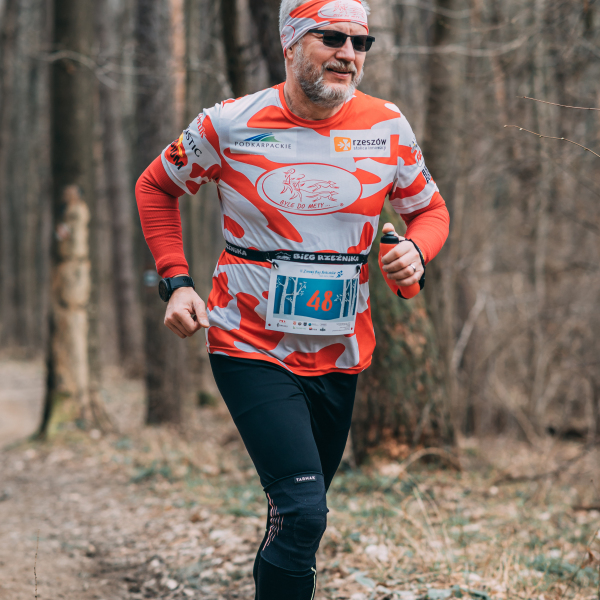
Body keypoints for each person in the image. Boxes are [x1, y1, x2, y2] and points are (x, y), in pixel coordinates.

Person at [135, 0, 449, 597]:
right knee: (304, 512)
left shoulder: (387, 126)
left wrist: (417, 250)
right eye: (331, 38)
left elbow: (429, 210)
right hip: (249, 344)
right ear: (289, 43)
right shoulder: (229, 124)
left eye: (360, 42)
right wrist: (176, 280)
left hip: (340, 352)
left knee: (296, 518)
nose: (348, 54)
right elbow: (155, 186)